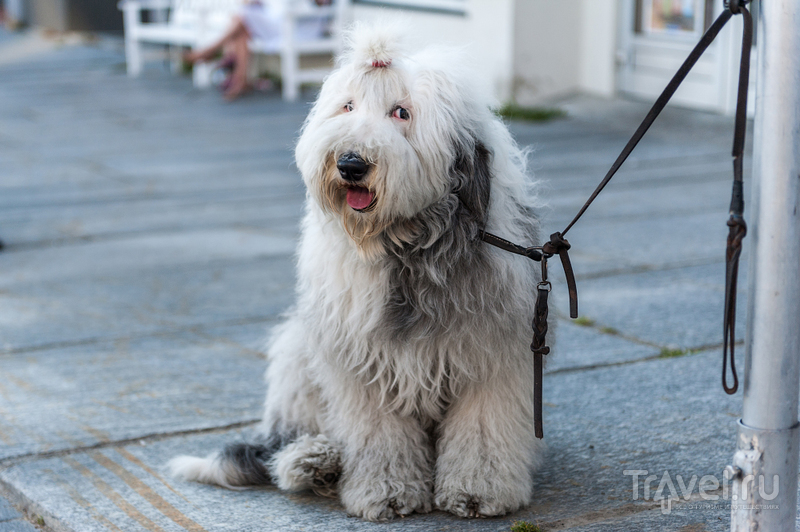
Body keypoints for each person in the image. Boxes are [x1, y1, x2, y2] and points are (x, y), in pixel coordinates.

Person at [184, 0, 330, 100]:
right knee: (243, 23)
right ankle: (239, 79)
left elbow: (319, 4)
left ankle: (213, 51)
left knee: (243, 17)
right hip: (281, 23)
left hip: (300, 26)